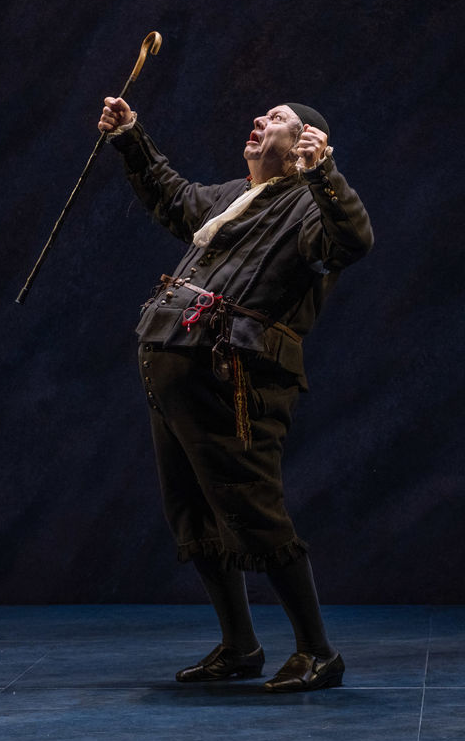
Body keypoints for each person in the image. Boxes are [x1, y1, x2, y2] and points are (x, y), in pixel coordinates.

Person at [98, 95, 373, 693]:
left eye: (277, 120)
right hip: (176, 381)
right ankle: (240, 647)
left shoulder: (310, 205)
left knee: (252, 508)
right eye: (262, 116)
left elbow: (352, 240)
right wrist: (131, 135)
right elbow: (173, 196)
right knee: (194, 512)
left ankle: (317, 652)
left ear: (305, 145)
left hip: (236, 382)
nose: (258, 121)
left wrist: (324, 174)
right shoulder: (233, 197)